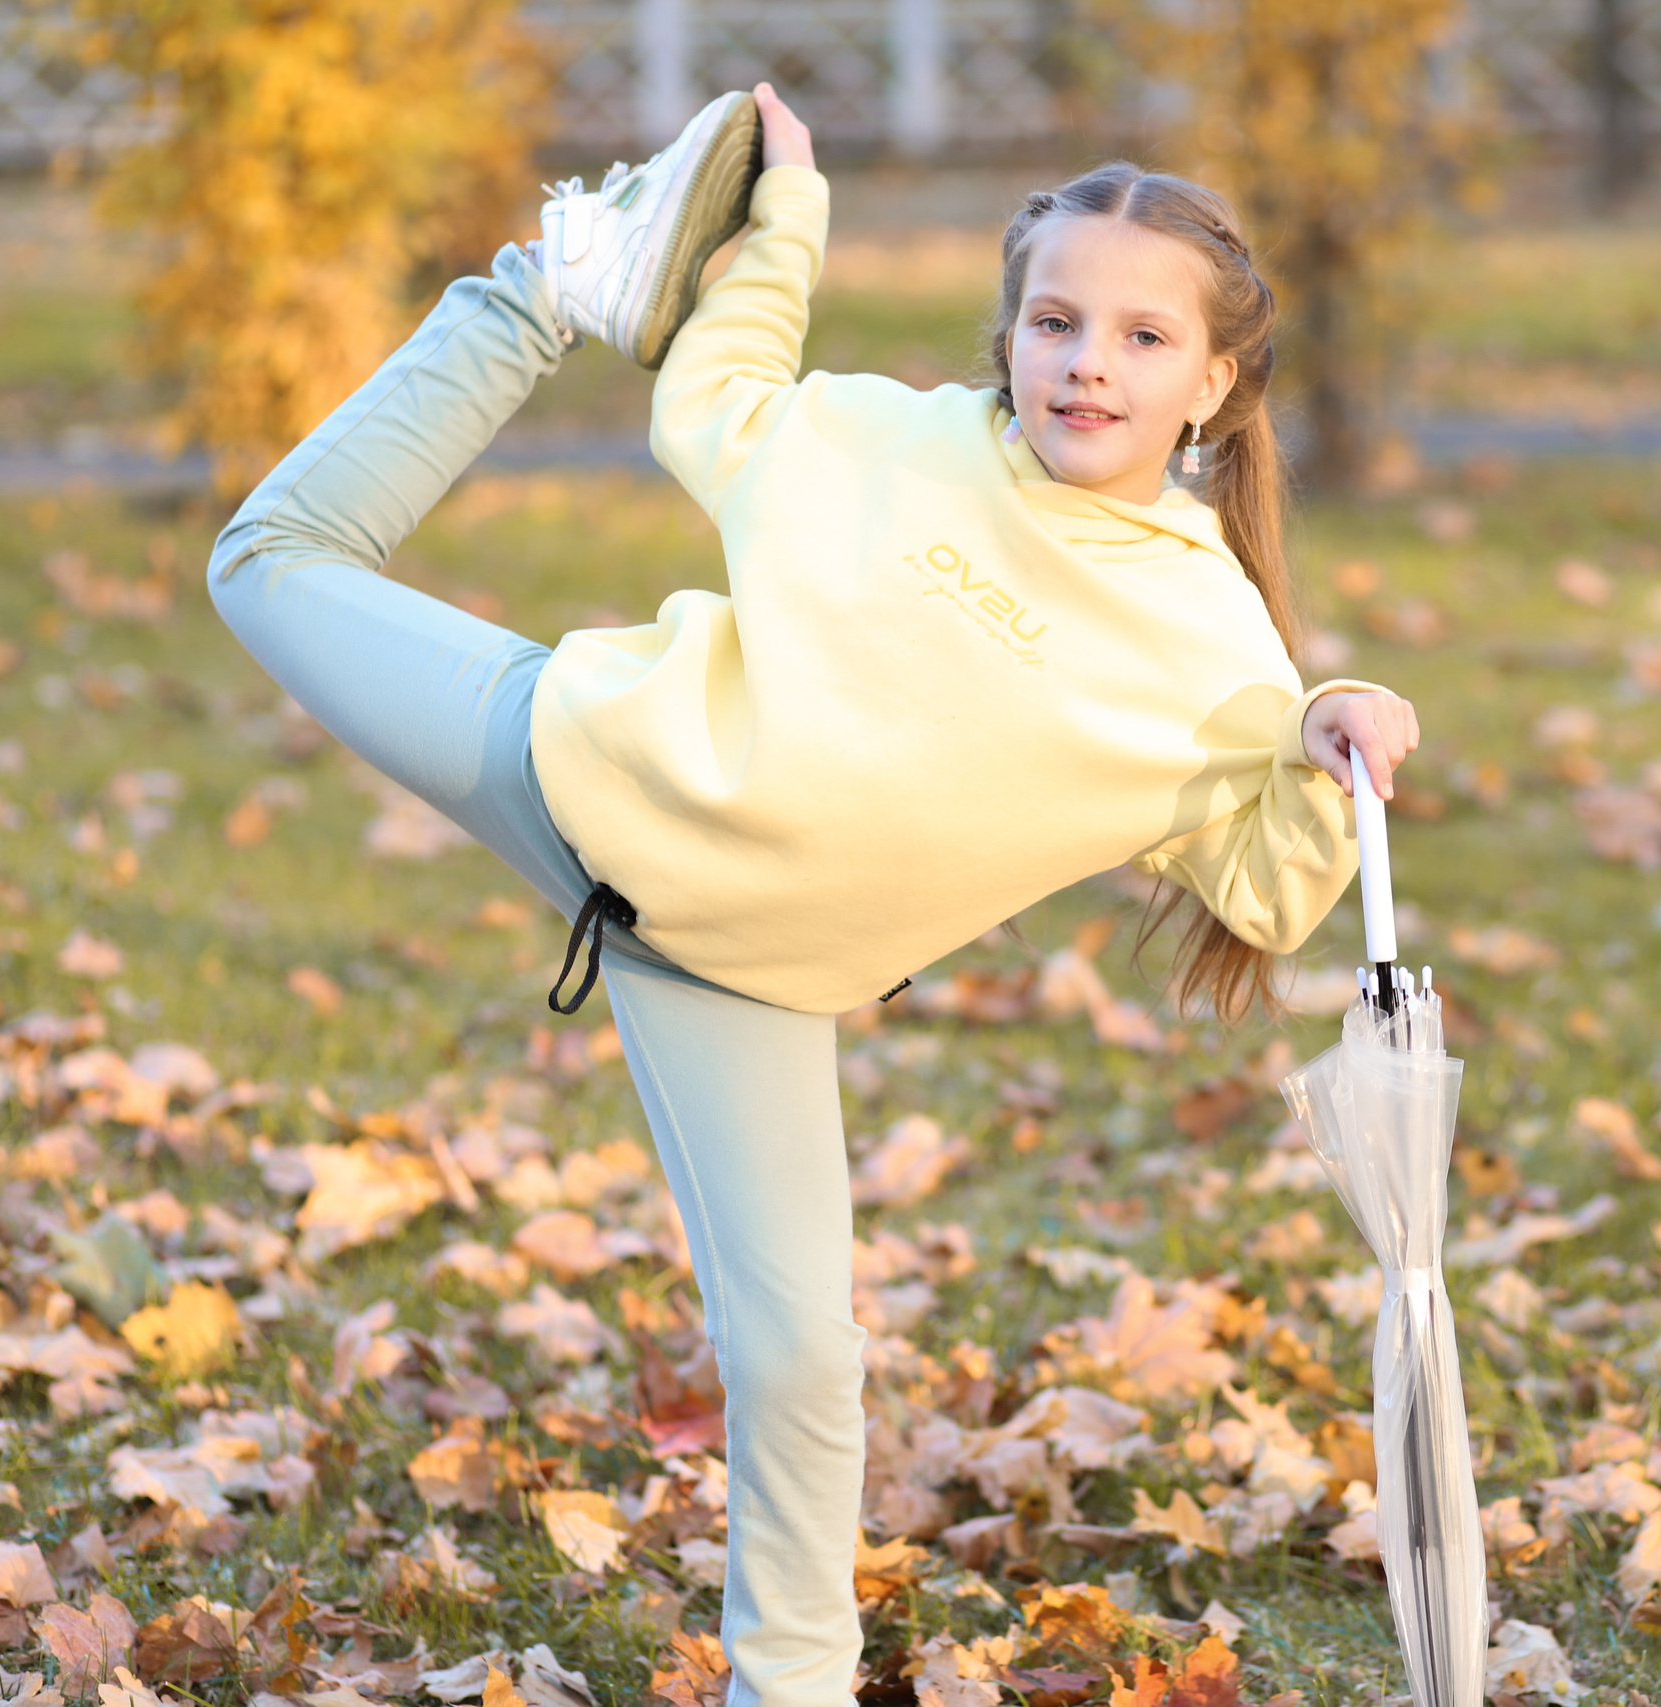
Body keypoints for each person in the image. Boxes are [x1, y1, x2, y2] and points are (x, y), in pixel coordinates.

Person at [207, 80, 1422, 1707]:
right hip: (573, 764)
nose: (1085, 363)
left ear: (1212, 382)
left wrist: (1334, 728)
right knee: (272, 562)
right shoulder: (897, 439)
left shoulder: (1213, 651)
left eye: (1140, 340)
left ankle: (789, 1687)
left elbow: (1270, 894)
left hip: (745, 979)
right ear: (1007, 337)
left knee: (801, 1359)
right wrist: (786, 226)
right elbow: (717, 397)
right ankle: (542, 282)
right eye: (1055, 320)